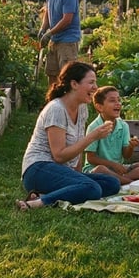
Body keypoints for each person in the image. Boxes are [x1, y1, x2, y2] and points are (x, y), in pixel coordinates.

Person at [17, 61, 121, 211]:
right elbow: (59, 156)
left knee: (112, 183)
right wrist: (92, 136)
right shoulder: (56, 109)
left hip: (60, 171)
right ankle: (38, 202)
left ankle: (43, 194)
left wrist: (77, 175)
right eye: (91, 82)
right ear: (74, 84)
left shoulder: (82, 108)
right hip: (38, 170)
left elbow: (77, 145)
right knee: (92, 188)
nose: (95, 87)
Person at [82, 86, 139, 184]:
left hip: (118, 169)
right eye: (112, 101)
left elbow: (126, 155)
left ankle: (121, 180)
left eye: (119, 100)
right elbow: (91, 158)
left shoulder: (123, 125)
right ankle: (130, 183)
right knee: (100, 170)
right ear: (99, 107)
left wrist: (131, 146)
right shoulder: (94, 127)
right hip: (96, 169)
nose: (117, 103)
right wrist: (113, 165)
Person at [38, 0, 81, 87]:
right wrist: (43, 28)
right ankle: (53, 102)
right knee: (51, 74)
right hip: (55, 39)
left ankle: (68, 104)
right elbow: (48, 11)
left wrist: (50, 33)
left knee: (67, 76)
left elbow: (67, 19)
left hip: (67, 40)